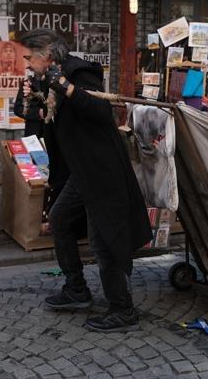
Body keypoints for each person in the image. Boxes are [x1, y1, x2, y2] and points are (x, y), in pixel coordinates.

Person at [19, 28, 152, 332]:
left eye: (30, 57)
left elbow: (102, 110)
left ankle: (123, 308)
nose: (27, 63)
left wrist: (64, 87)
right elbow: (47, 123)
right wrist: (35, 100)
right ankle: (76, 288)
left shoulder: (80, 72)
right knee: (60, 218)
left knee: (103, 239)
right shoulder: (48, 81)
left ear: (47, 55)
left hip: (102, 171)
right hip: (81, 171)